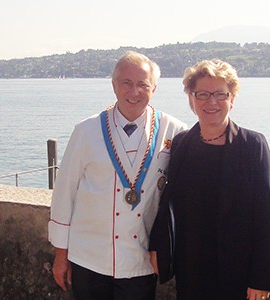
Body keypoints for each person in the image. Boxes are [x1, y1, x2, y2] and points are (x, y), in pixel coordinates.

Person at [48, 51, 189, 299]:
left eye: (142, 84)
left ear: (154, 88)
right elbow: (64, 194)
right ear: (114, 86)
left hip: (140, 259)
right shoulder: (86, 130)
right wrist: (61, 255)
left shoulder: (174, 131)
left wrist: (247, 204)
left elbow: (202, 178)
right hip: (88, 257)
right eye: (126, 83)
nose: (134, 92)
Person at [149, 59, 270, 300]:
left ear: (232, 98)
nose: (212, 102)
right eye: (203, 94)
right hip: (191, 267)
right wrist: (157, 245)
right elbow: (168, 199)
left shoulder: (253, 145)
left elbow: (264, 214)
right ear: (191, 99)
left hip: (236, 273)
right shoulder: (182, 143)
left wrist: (260, 279)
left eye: (220, 94)